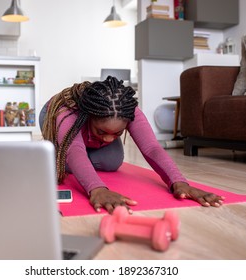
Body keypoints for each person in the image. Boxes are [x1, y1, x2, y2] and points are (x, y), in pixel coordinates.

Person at [40, 76, 225, 214]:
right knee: (69, 157)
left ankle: (84, 150)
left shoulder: (127, 110)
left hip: (90, 130)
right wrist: (97, 188)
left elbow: (152, 148)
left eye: (117, 133)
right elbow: (75, 150)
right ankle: (58, 151)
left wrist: (178, 182)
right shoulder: (67, 112)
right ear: (88, 117)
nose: (108, 140)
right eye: (102, 132)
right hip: (51, 116)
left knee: (111, 162)